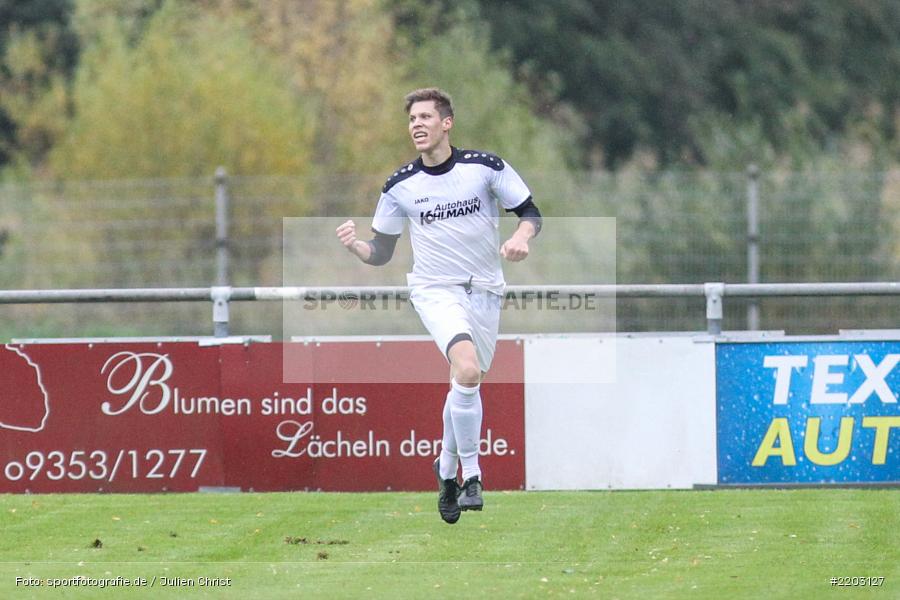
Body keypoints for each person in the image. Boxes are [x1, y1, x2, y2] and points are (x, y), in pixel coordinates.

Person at [335, 87, 542, 524]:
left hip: (485, 289)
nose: (417, 125)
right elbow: (383, 252)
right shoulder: (399, 186)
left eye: (426, 117)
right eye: (412, 119)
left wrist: (520, 238)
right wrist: (356, 247)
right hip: (434, 290)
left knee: (465, 382)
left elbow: (529, 211)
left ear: (446, 123)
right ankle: (471, 474)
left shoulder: (484, 168)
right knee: (466, 369)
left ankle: (444, 468)